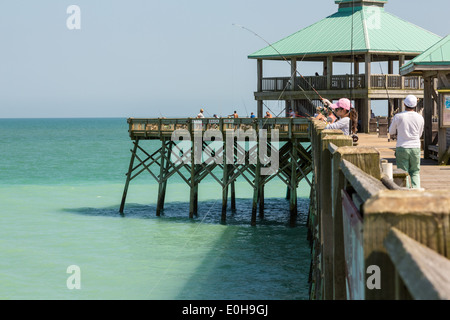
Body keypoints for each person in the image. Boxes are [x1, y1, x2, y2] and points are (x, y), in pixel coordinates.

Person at [389, 95, 424, 189]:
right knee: (415, 171)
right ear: (415, 105)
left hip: (402, 147)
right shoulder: (420, 117)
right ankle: (417, 191)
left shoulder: (398, 116)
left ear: (404, 104)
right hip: (415, 147)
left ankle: (406, 191)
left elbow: (391, 131)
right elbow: (420, 134)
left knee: (403, 172)